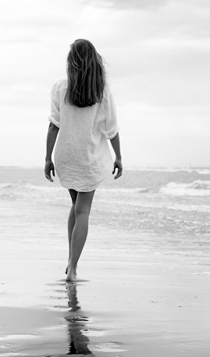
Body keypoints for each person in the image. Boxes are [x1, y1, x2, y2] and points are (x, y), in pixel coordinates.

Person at [44, 39, 122, 282]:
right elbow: (111, 129)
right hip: (89, 157)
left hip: (67, 155)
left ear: (71, 62)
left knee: (76, 208)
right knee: (83, 211)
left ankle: (70, 260)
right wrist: (119, 156)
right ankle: (74, 267)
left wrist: (47, 158)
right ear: (94, 62)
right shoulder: (101, 91)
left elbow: (53, 125)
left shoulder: (59, 88)